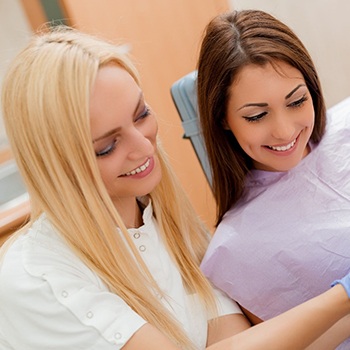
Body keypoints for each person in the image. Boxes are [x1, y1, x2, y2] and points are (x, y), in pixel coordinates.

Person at [0, 26, 350, 350]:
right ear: (55, 165)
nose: (143, 147)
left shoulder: (170, 227)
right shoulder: (33, 278)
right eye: (106, 146)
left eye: (141, 115)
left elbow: (242, 344)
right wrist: (343, 296)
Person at [197, 9, 350, 349]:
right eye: (257, 115)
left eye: (296, 101)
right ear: (222, 117)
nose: (284, 131)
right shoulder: (235, 250)